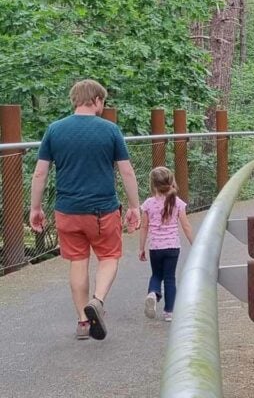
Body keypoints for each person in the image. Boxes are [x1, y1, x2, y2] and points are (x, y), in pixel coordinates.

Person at [29, 79, 141, 341]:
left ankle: (82, 321)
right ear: (97, 100)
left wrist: (35, 208)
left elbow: (40, 173)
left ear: (75, 100)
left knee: (78, 262)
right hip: (102, 210)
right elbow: (126, 171)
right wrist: (135, 206)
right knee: (109, 256)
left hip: (67, 210)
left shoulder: (54, 130)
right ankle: (97, 301)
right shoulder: (110, 130)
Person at [138, 166, 193, 322]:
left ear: (153, 185)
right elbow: (186, 226)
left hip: (155, 247)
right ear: (171, 182)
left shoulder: (148, 204)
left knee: (156, 274)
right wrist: (194, 244)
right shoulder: (178, 203)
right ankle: (169, 311)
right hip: (173, 247)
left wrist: (141, 248)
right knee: (170, 278)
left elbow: (144, 227)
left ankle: (153, 293)